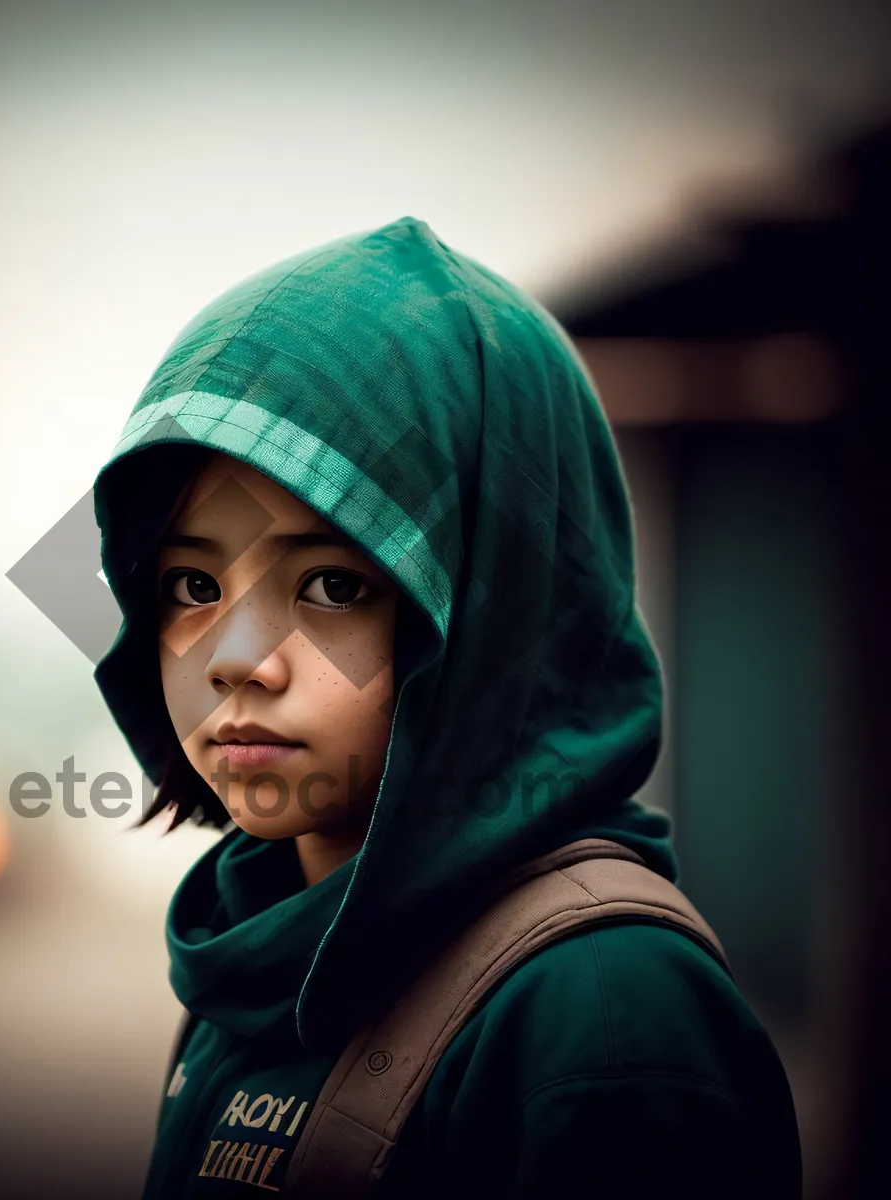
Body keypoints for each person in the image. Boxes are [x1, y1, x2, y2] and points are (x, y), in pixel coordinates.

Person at [90, 216, 802, 1197]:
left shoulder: (606, 1019)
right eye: (191, 587)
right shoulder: (252, 945)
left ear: (503, 615)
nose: (237, 662)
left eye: (333, 589)